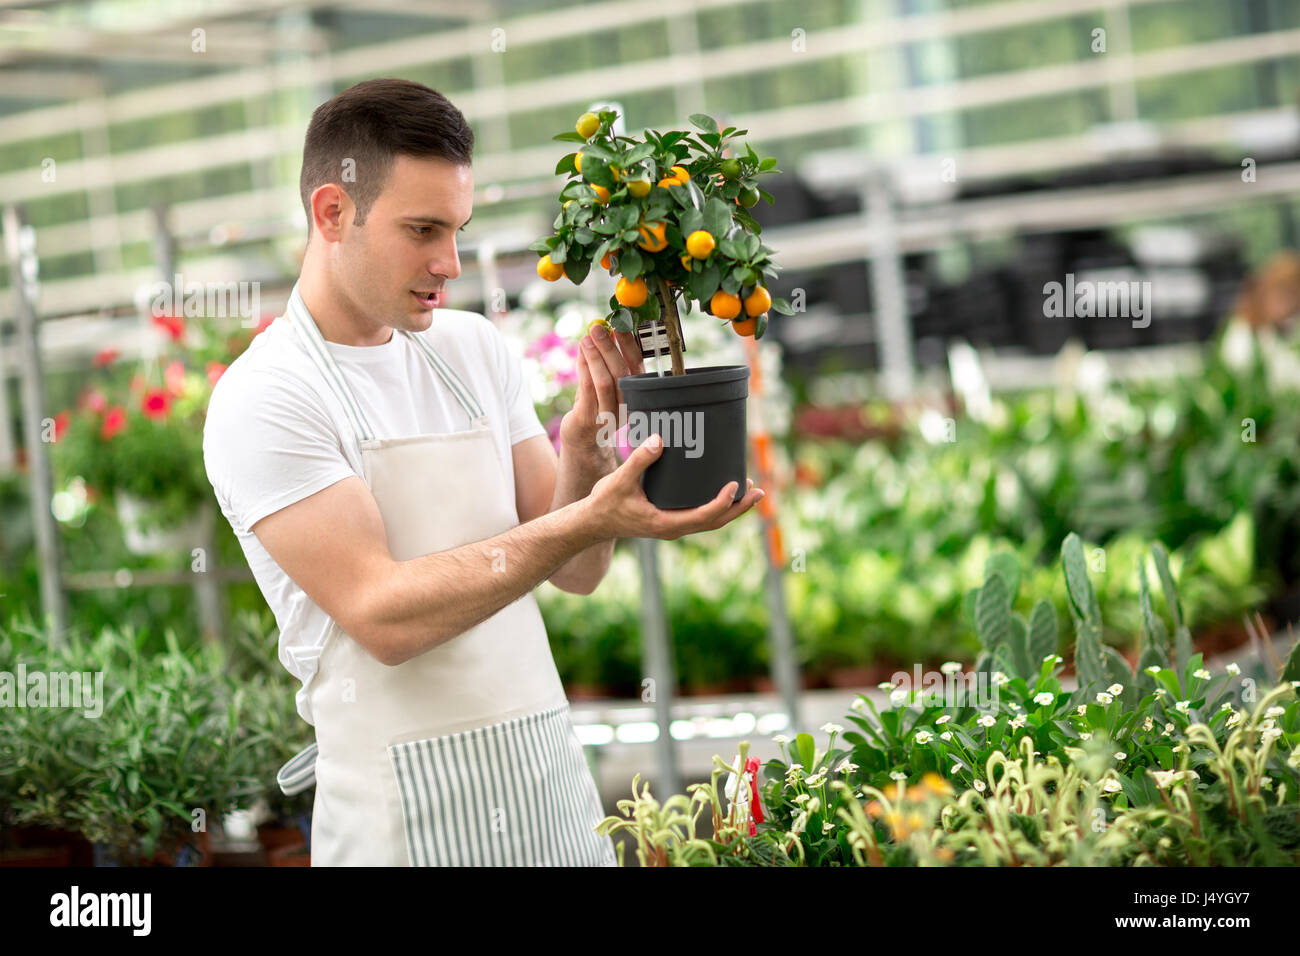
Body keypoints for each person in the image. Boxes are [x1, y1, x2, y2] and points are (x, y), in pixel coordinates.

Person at [202, 78, 763, 867]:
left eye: (459, 228)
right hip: (401, 817)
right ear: (332, 213)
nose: (450, 262)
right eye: (422, 229)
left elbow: (574, 569)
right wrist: (591, 515)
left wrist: (584, 450)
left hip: (546, 787)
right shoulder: (265, 399)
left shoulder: (469, 350)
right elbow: (383, 616)